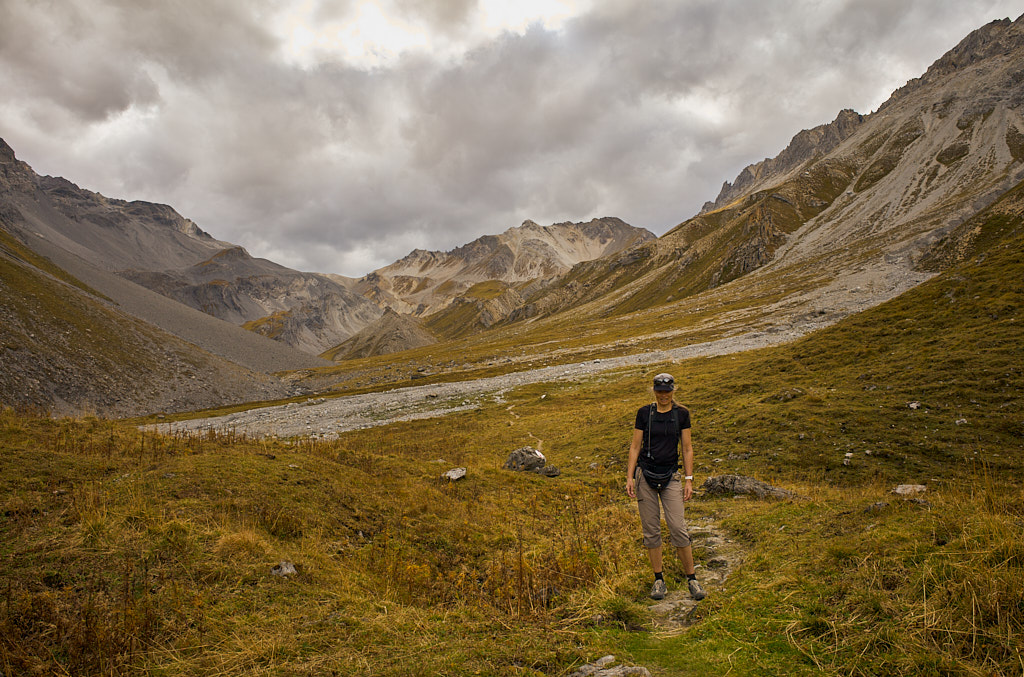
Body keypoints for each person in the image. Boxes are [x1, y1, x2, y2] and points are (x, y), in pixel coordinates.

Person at [626, 373, 706, 601]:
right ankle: (658, 580)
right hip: (645, 476)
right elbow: (635, 446)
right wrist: (630, 477)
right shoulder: (644, 413)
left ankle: (692, 579)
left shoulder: (682, 414)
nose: (663, 395)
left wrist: (689, 479)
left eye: (667, 391)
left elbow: (687, 448)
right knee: (651, 531)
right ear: (654, 391)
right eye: (659, 391)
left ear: (673, 391)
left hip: (671, 475)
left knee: (678, 528)